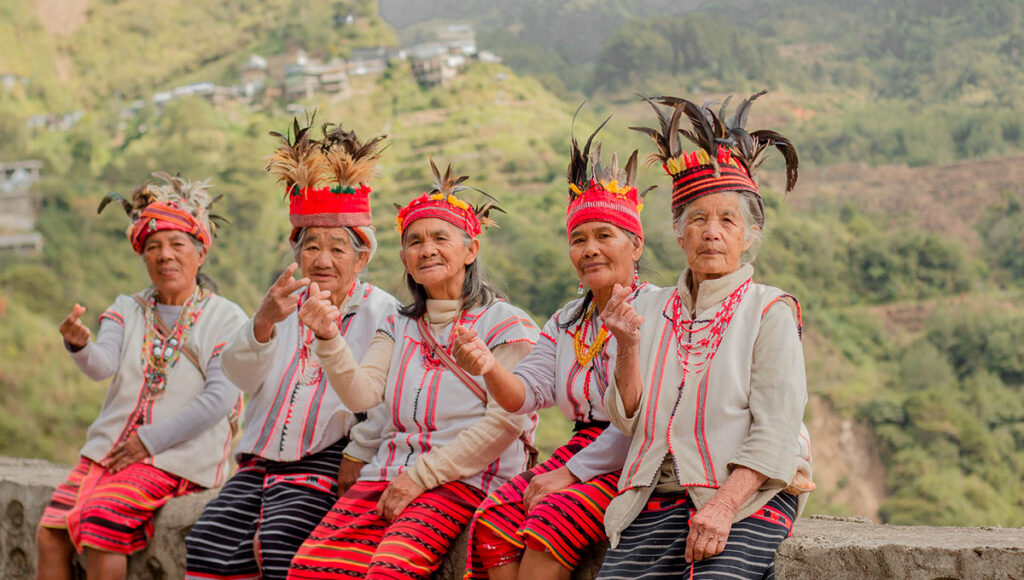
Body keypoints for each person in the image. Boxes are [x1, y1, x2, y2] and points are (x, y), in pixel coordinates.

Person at [286, 160, 540, 580]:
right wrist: (329, 338)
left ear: (471, 250)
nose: (427, 250)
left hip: (466, 480)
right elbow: (362, 395)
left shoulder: (508, 324)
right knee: (309, 571)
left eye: (441, 238)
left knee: (389, 572)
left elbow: (505, 424)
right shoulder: (399, 324)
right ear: (404, 258)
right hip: (388, 473)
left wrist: (420, 477)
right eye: (415, 242)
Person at [596, 93, 814, 579]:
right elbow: (627, 418)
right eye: (697, 219)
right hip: (653, 499)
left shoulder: (770, 309)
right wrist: (628, 346)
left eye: (727, 220)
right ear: (677, 232)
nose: (711, 232)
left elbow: (777, 428)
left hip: (745, 495)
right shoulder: (647, 307)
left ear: (749, 234)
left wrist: (722, 506)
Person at [184, 121, 399, 580]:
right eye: (312, 247)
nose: (322, 260)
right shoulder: (282, 302)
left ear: (361, 258)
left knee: (285, 542)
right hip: (262, 455)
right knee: (207, 541)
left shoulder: (383, 312)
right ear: (296, 254)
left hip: (330, 455)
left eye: (338, 248)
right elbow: (240, 377)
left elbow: (386, 399)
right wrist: (263, 322)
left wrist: (357, 454)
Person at [455, 120, 657, 580]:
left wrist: (570, 474)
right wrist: (488, 366)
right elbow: (522, 395)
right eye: (579, 239)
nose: (589, 250)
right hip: (579, 450)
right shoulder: (568, 319)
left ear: (636, 244)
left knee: (551, 521)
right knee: (493, 520)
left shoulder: (658, 311)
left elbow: (644, 418)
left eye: (604, 236)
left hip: (634, 453)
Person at [36, 173, 246, 580]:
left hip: (178, 457)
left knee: (100, 526)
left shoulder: (226, 318)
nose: (164, 255)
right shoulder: (126, 309)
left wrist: (148, 442)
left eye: (176, 245)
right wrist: (79, 345)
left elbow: (219, 399)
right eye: (153, 247)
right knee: (50, 534)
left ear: (200, 253)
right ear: (142, 255)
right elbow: (102, 365)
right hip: (111, 451)